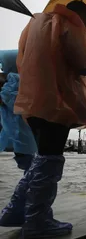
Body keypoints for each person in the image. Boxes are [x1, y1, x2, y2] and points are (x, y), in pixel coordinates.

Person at [13, 0, 86, 239]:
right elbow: (84, 64)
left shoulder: (34, 22)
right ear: (82, 15)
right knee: (50, 161)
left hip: (32, 101)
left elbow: (21, 58)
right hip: (57, 101)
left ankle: (16, 210)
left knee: (41, 159)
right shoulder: (70, 25)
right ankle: (37, 221)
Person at [0, 50, 37, 227]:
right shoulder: (15, 82)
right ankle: (15, 212)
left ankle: (25, 211)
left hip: (21, 140)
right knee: (34, 174)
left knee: (32, 173)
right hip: (24, 139)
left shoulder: (8, 83)